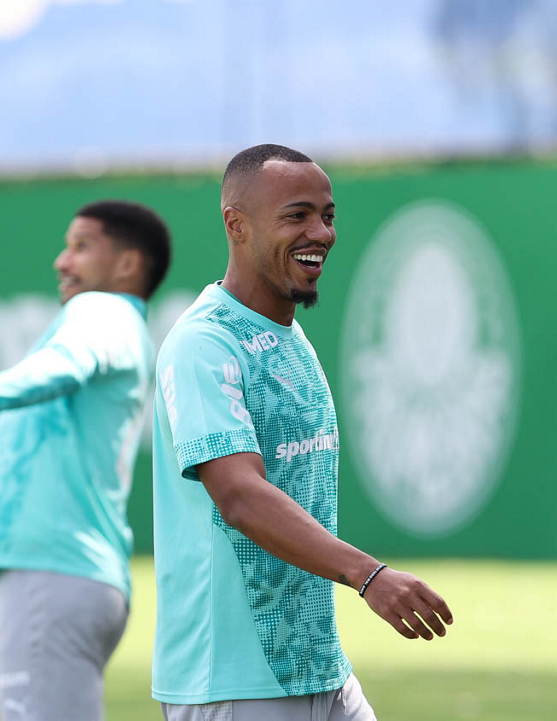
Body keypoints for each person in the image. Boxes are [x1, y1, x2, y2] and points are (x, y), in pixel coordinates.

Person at [151, 144, 454, 721]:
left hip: (318, 668)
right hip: (233, 682)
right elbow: (239, 495)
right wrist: (370, 576)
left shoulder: (290, 336)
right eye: (296, 215)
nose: (320, 232)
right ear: (235, 224)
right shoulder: (203, 344)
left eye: (328, 215)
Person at [0, 200, 172, 721]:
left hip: (51, 576)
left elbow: (64, 368)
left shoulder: (101, 311)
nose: (61, 261)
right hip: (76, 577)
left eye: (81, 246)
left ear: (126, 265)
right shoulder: (113, 328)